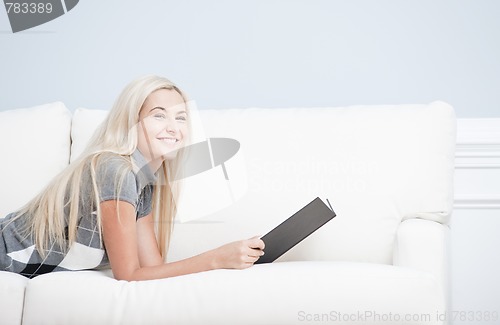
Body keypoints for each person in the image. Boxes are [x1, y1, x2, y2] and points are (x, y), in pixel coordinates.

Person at [0, 75, 265, 280]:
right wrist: (217, 259)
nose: (173, 128)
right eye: (159, 115)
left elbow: (151, 269)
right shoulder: (116, 171)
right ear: (131, 122)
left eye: (181, 118)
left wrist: (227, 255)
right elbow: (128, 275)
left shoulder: (142, 184)